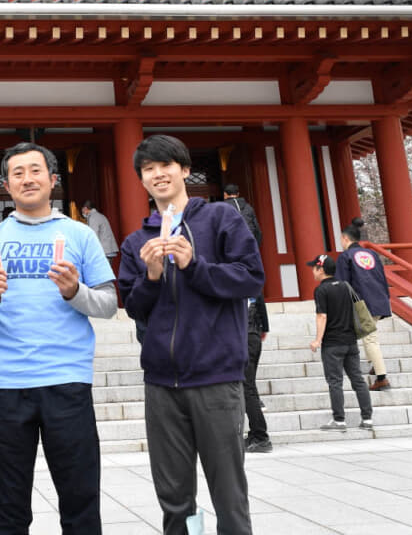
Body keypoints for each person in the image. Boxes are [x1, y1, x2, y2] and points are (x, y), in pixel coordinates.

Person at [0, 142, 116, 535]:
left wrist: (73, 292)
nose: (27, 179)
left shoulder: (80, 235)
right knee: (5, 503)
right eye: (17, 173)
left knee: (80, 498)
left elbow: (109, 304)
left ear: (52, 180)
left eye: (35, 171)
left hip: (67, 381)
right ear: (7, 185)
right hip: (4, 384)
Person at [117, 135, 263, 535]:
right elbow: (133, 305)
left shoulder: (220, 219)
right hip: (162, 382)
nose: (157, 174)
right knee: (174, 496)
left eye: (166, 165)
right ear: (142, 180)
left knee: (228, 493)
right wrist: (151, 276)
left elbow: (251, 278)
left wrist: (194, 265)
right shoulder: (137, 241)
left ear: (184, 170)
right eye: (148, 169)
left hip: (216, 377)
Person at [308, 254, 373, 431]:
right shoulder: (345, 286)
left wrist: (317, 340)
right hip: (351, 340)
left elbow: (322, 315)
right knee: (358, 379)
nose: (312, 271)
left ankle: (339, 419)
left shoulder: (321, 290)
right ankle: (367, 418)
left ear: (321, 269)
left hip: (332, 343)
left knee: (335, 381)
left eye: (314, 268)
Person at [336, 217, 393, 390]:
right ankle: (375, 365)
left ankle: (382, 377)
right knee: (370, 335)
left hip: (361, 302)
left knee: (369, 339)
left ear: (346, 238)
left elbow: (342, 284)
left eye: (341, 239)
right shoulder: (372, 254)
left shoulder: (346, 256)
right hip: (378, 299)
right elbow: (382, 278)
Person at [244, 294, 272, 453]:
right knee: (250, 387)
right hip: (254, 337)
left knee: (247, 389)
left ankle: (261, 436)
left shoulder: (233, 285)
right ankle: (255, 433)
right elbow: (265, 322)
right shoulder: (253, 287)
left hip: (245, 338)